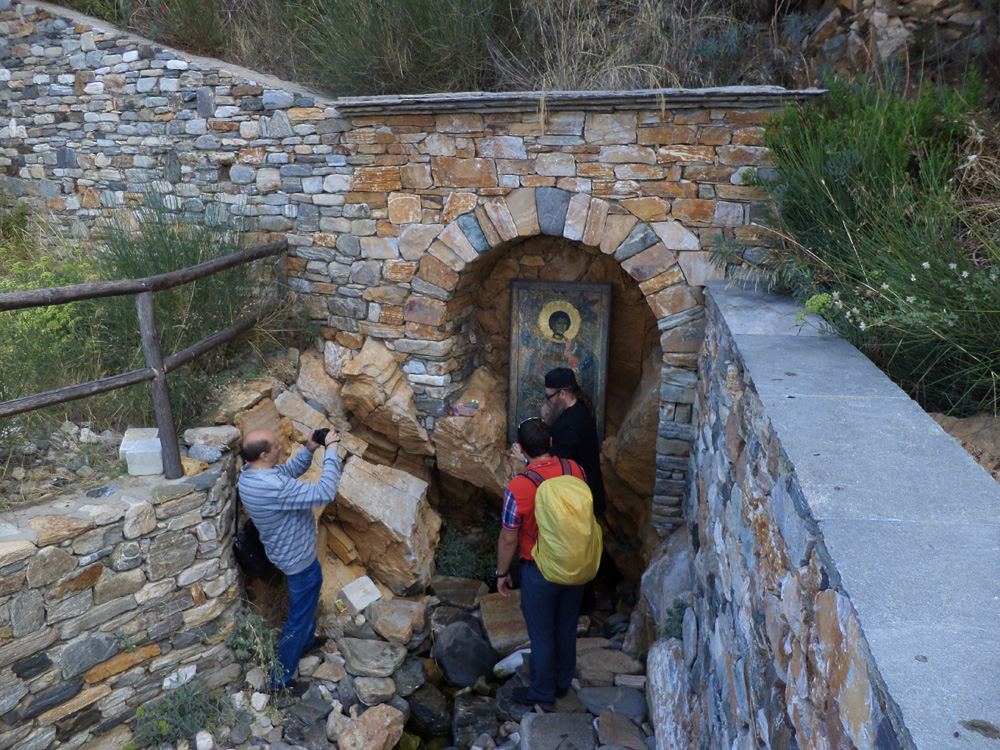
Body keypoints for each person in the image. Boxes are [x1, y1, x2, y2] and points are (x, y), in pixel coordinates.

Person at [237, 426, 342, 693]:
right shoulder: (273, 487)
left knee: (308, 600)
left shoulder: (249, 473)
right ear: (264, 455)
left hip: (288, 553)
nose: (282, 447)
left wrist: (309, 449)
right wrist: (331, 451)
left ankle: (306, 643)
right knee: (298, 617)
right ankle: (278, 681)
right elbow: (326, 492)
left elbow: (287, 471)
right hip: (298, 561)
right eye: (276, 446)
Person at [497, 417, 587, 708]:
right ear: (550, 442)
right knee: (566, 626)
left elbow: (508, 538)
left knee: (541, 634)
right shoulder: (574, 469)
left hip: (540, 570)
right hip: (575, 563)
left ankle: (542, 692)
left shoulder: (518, 487)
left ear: (521, 449)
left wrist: (501, 573)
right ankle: (561, 683)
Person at [540, 367, 607, 517]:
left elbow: (556, 463)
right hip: (584, 493)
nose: (547, 400)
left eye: (549, 396)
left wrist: (525, 459)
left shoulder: (570, 426)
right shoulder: (580, 406)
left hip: (577, 501)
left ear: (562, 394)